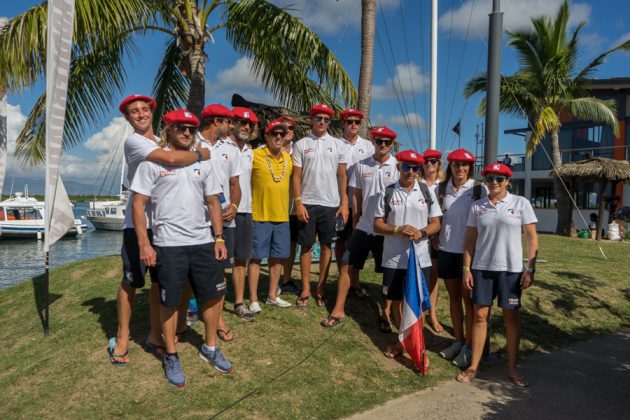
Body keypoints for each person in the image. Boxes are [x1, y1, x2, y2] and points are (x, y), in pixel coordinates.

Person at [130, 109, 231, 387]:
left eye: (191, 128)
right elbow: (138, 204)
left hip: (203, 241)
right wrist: (144, 244)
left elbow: (213, 202)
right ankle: (171, 354)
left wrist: (219, 237)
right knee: (170, 301)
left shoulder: (204, 163)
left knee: (212, 296)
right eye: (181, 128)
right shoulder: (153, 161)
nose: (187, 132)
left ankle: (210, 347)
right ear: (169, 130)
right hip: (168, 244)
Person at [108, 94, 210, 366]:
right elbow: (173, 159)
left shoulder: (160, 141)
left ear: (152, 112)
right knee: (131, 282)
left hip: (164, 227)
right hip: (137, 225)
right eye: (134, 111)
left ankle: (155, 335)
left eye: (144, 109)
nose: (140, 114)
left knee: (158, 284)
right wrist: (199, 153)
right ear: (128, 118)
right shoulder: (136, 142)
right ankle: (121, 337)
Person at [456, 162, 538, 388]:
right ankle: (473, 366)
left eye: (499, 179)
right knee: (480, 317)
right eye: (490, 178)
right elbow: (470, 241)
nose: (494, 182)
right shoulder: (478, 206)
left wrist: (530, 269)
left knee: (510, 318)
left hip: (510, 271)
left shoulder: (521, 203)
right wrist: (466, 269)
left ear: (508, 181)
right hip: (482, 269)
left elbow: (532, 238)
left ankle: (512, 368)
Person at [321, 126, 398, 327]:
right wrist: (355, 222)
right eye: (379, 141)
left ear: (391, 145)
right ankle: (338, 309)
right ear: (373, 142)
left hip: (386, 231)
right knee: (346, 263)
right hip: (364, 226)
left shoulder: (398, 167)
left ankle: (387, 313)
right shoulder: (362, 166)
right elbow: (355, 195)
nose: (382, 145)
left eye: (387, 142)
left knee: (389, 272)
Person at [373, 150, 442, 361]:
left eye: (415, 168)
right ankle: (403, 341)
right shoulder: (387, 192)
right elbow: (377, 224)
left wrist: (421, 233)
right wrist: (397, 230)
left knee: (416, 302)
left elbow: (436, 223)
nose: (410, 171)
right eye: (406, 167)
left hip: (420, 257)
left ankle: (411, 343)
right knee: (395, 301)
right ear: (398, 167)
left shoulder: (426, 192)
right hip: (394, 257)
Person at [291, 104, 349, 308]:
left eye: (326, 119)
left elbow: (342, 176)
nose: (322, 122)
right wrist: (298, 202)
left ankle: (321, 288)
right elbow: (296, 176)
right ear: (312, 119)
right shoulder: (301, 144)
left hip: (331, 204)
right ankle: (306, 288)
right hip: (307, 202)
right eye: (318, 118)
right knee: (306, 247)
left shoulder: (338, 145)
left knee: (326, 247)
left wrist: (344, 203)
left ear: (330, 122)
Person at [436, 148, 485, 369]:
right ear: (450, 166)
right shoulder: (441, 188)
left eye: (464, 165)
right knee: (454, 299)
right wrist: (433, 239)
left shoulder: (478, 188)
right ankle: (457, 340)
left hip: (469, 255)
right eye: (456, 164)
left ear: (470, 168)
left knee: (469, 302)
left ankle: (468, 346)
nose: (460, 169)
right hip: (446, 250)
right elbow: (435, 217)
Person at [197, 103, 243, 341]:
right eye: (227, 121)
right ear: (215, 121)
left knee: (221, 269)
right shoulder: (192, 142)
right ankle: (190, 311)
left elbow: (235, 186)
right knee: (190, 269)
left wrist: (234, 206)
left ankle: (218, 319)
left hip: (224, 219)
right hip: (195, 218)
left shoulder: (231, 149)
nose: (231, 125)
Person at [248, 119, 294, 310]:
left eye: (281, 134)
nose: (278, 137)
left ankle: (272, 295)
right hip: (260, 215)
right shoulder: (254, 155)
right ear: (266, 136)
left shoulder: (288, 159)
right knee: (256, 258)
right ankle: (253, 299)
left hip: (282, 217)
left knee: (278, 258)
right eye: (274, 133)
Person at [334, 108, 375, 299]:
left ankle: (355, 280)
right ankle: (342, 278)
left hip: (360, 203)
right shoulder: (334, 144)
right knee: (340, 242)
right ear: (343, 123)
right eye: (349, 121)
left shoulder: (367, 146)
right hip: (338, 200)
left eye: (357, 122)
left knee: (357, 244)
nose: (353, 125)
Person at [228, 107, 258, 321]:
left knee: (241, 259)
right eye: (241, 122)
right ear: (232, 123)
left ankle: (239, 303)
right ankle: (206, 301)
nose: (246, 126)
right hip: (224, 212)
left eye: (250, 125)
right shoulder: (221, 147)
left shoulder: (250, 151)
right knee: (216, 261)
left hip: (245, 211)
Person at [420, 148, 445, 333]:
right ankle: (418, 314)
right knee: (420, 275)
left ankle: (432, 314)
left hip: (436, 235)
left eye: (433, 161)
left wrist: (436, 235)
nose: (430, 164)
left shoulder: (443, 185)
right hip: (419, 233)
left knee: (433, 275)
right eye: (427, 160)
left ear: (439, 163)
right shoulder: (417, 182)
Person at [278, 116, 302, 295]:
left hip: (293, 207)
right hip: (274, 206)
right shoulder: (267, 149)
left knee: (291, 244)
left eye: (290, 128)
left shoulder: (298, 150)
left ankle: (286, 279)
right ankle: (274, 279)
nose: (287, 131)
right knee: (275, 245)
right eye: (283, 128)